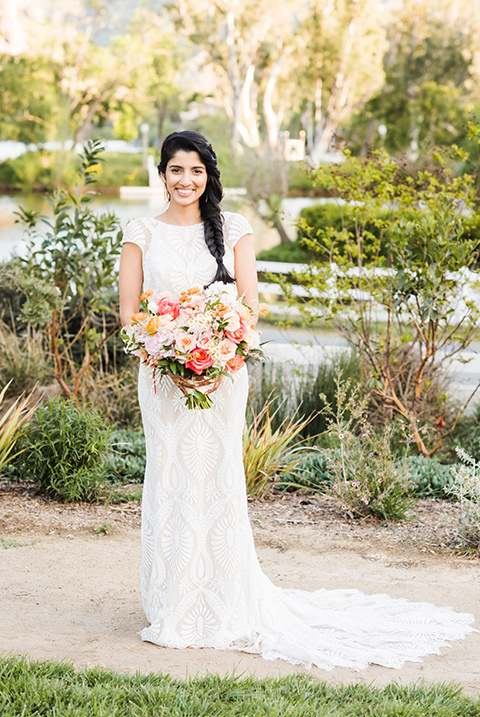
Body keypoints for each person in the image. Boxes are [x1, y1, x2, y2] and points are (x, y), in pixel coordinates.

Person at [119, 130, 475, 670]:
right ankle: (171, 600)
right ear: (161, 173)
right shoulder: (140, 232)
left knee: (215, 479)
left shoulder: (233, 229)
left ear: (209, 174)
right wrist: (170, 360)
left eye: (196, 171)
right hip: (164, 379)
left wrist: (213, 362)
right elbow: (129, 316)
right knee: (169, 477)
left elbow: (247, 313)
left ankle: (221, 597)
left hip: (222, 378)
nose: (185, 180)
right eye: (175, 170)